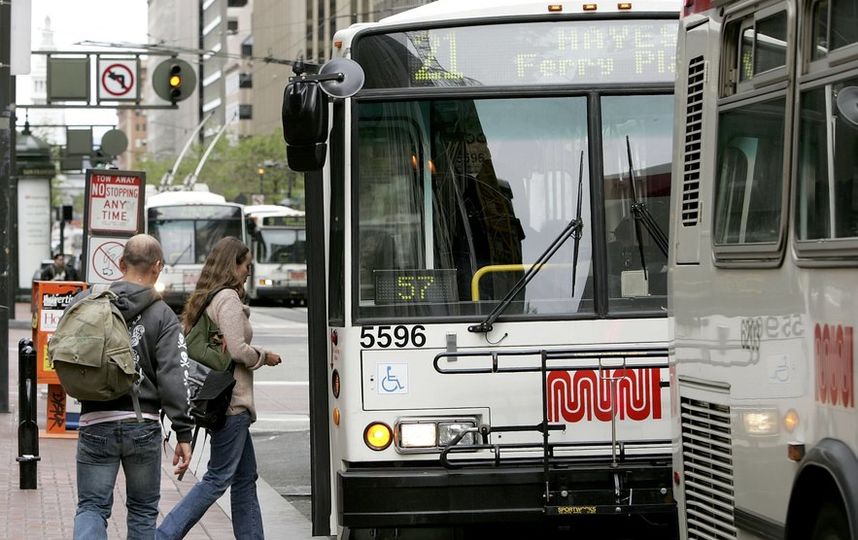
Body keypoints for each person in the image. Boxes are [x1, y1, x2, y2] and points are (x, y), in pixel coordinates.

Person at [158, 236, 282, 540]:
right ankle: (164, 535)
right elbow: (238, 350)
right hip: (231, 404)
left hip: (223, 403)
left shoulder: (210, 295)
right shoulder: (227, 298)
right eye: (246, 266)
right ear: (233, 265)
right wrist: (264, 357)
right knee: (217, 479)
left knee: (244, 479)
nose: (249, 272)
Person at [72, 234, 194, 540]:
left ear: (120, 263)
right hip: (143, 424)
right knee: (142, 511)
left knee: (91, 507)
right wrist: (183, 431)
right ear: (158, 267)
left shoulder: (91, 303)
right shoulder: (162, 315)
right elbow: (174, 373)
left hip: (95, 420)